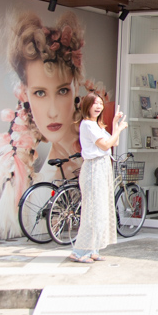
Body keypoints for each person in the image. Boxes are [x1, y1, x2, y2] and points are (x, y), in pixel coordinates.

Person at [0, 11, 88, 239]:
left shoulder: (85, 138)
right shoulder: (43, 180)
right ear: (26, 95)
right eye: (40, 93)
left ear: (76, 87)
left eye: (62, 91)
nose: (52, 111)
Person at [70, 93, 127, 263]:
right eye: (94, 103)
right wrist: (119, 129)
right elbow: (105, 145)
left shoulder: (97, 125)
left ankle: (92, 249)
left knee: (100, 210)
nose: (98, 106)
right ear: (87, 106)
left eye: (100, 103)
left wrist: (115, 123)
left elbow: (114, 142)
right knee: (92, 212)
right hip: (94, 168)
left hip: (102, 167)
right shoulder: (88, 124)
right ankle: (79, 252)